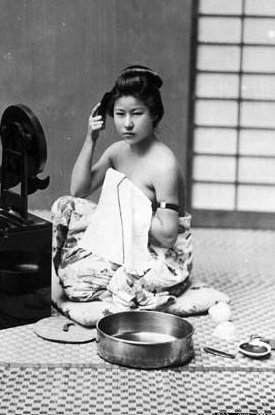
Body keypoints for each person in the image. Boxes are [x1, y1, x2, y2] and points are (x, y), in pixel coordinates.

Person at [51, 65, 198, 316]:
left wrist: (128, 206)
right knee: (64, 206)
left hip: (161, 254)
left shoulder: (164, 165)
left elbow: (168, 236)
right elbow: (79, 190)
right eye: (120, 114)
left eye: (137, 113)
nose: (127, 124)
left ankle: (113, 285)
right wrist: (91, 138)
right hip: (125, 236)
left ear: (154, 114)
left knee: (80, 283)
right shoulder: (117, 151)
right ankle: (98, 276)